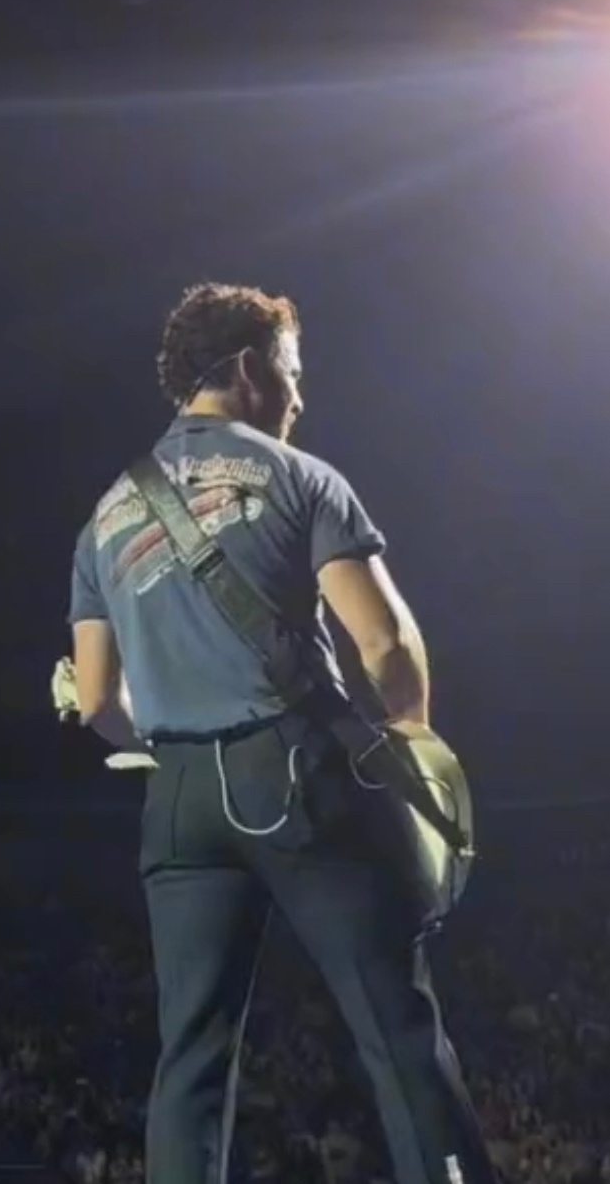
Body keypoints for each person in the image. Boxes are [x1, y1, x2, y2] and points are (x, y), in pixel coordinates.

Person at [69, 282, 498, 1184]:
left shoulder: (104, 516)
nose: (299, 395)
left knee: (190, 1059)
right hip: (296, 775)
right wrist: (413, 748)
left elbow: (101, 699)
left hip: (178, 804)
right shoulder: (299, 476)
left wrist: (168, 734)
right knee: (394, 1024)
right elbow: (384, 642)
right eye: (291, 372)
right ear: (248, 369)